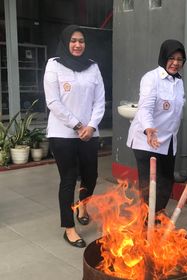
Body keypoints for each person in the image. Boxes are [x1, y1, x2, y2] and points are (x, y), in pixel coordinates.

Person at [44, 25, 105, 248]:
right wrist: (78, 125)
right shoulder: (54, 65)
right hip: (62, 134)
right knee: (68, 180)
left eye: (81, 40)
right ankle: (69, 229)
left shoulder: (93, 67)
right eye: (73, 41)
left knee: (91, 176)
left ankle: (83, 205)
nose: (77, 45)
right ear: (65, 42)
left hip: (90, 132)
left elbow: (100, 100)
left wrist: (91, 126)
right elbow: (53, 102)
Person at [127, 39, 186, 214]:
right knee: (149, 185)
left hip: (167, 141)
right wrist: (149, 129)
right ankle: (147, 224)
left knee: (167, 181)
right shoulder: (151, 78)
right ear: (163, 57)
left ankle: (157, 214)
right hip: (146, 140)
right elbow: (145, 108)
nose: (175, 63)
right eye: (171, 58)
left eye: (180, 59)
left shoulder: (179, 82)